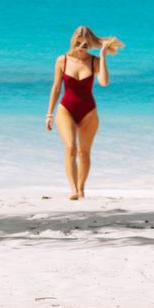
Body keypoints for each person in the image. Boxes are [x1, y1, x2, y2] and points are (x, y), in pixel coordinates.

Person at [45, 26, 124, 200]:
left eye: (86, 44)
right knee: (71, 148)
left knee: (84, 152)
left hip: (89, 112)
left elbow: (104, 82)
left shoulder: (94, 61)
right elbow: (56, 87)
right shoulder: (62, 61)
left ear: (90, 44)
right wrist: (49, 113)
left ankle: (81, 189)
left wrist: (102, 57)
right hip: (66, 110)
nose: (81, 46)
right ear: (73, 41)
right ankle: (73, 189)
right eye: (78, 43)